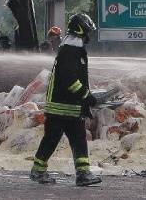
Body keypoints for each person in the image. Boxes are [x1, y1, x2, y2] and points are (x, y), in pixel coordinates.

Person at [31, 13, 102, 187]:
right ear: (81, 30)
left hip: (69, 107)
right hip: (62, 107)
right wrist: (87, 97)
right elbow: (70, 80)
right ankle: (39, 171)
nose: (88, 36)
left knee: (77, 139)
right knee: (53, 138)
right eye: (87, 32)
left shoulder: (71, 48)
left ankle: (83, 174)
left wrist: (84, 99)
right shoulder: (71, 51)